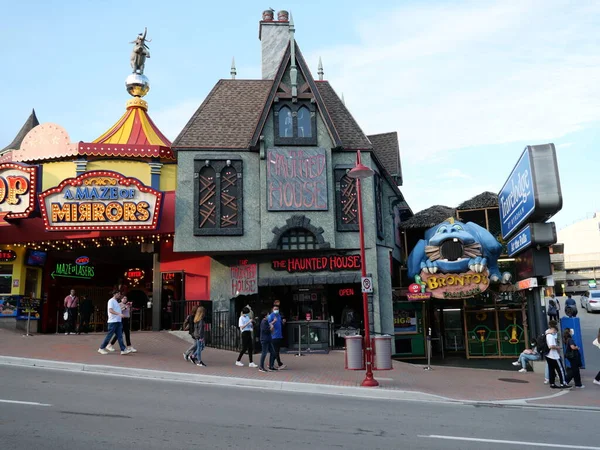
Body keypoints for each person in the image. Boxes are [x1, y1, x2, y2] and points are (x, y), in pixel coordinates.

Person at [98, 290, 131, 355]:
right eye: (118, 294)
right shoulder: (111, 301)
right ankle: (101, 348)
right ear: (115, 294)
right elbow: (110, 310)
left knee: (120, 336)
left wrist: (124, 309)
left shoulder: (116, 301)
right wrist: (119, 314)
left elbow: (118, 310)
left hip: (118, 321)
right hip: (113, 321)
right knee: (109, 336)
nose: (119, 295)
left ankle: (123, 349)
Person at [545, 321, 571, 389]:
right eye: (555, 331)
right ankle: (563, 383)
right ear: (553, 329)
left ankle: (552, 383)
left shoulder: (547, 334)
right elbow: (551, 346)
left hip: (548, 355)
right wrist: (558, 347)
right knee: (560, 369)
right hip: (554, 356)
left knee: (551, 370)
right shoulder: (550, 336)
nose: (555, 333)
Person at [267, 301, 287, 370]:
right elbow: (268, 325)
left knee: (276, 351)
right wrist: (273, 322)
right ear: (272, 309)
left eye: (277, 309)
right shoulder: (270, 316)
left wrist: (283, 322)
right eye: (275, 309)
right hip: (273, 336)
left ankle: (272, 363)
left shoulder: (279, 316)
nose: (276, 310)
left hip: (279, 335)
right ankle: (277, 364)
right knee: (275, 351)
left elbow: (280, 324)